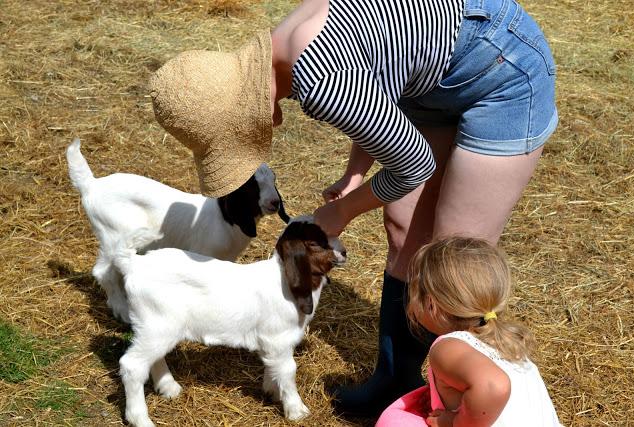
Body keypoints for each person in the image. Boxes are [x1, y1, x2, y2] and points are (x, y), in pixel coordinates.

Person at [148, 0, 557, 417]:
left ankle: (470, 402)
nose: (268, 126)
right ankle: (396, 379)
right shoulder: (289, 43)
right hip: (434, 79)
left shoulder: (318, 77)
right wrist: (355, 173)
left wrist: (343, 214)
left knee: (451, 256)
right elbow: (381, 75)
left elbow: (412, 162)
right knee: (402, 225)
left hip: (503, 72)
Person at [376, 237, 562, 426]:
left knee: (393, 421)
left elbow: (493, 386)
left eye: (413, 291)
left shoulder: (447, 347)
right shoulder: (503, 339)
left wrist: (454, 422)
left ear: (430, 303)